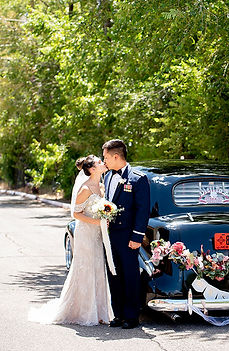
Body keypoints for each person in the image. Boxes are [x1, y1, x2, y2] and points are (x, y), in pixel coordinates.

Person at [28, 155, 113, 326]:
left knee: (97, 267)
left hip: (97, 233)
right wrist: (97, 221)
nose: (102, 163)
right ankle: (82, 312)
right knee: (85, 268)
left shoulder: (102, 186)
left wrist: (106, 217)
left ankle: (100, 312)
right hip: (86, 232)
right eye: (98, 162)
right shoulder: (85, 188)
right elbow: (76, 214)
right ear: (92, 169)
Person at [103, 139, 150, 329]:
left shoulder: (138, 178)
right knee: (114, 274)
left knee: (130, 275)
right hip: (110, 235)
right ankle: (118, 314)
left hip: (128, 236)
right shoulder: (107, 176)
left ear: (116, 156)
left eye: (105, 157)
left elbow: (142, 210)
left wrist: (137, 237)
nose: (103, 160)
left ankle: (132, 316)